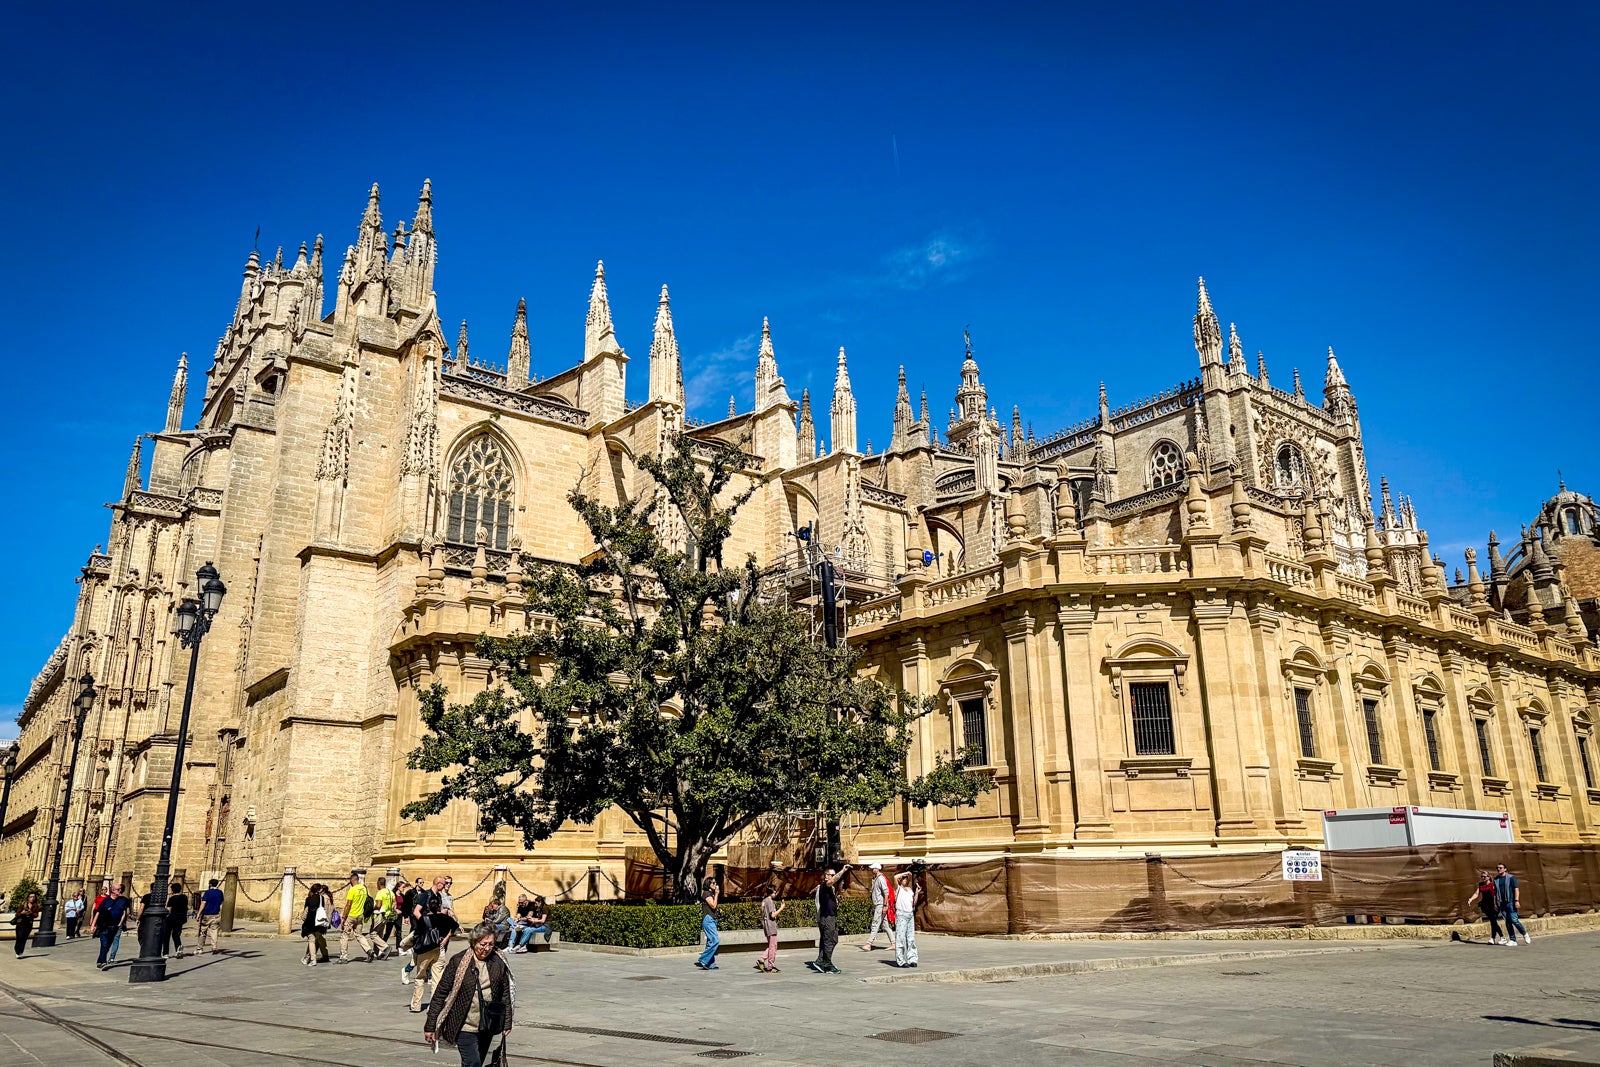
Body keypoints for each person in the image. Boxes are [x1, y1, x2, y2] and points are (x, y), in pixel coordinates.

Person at [424, 921, 514, 1067]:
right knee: (473, 1063)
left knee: (476, 1062)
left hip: (488, 1024)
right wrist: (430, 1025)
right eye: (482, 944)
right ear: (473, 941)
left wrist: (507, 1022)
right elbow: (440, 993)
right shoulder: (458, 962)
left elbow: (505, 994)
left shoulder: (498, 961)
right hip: (464, 1025)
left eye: (490, 944)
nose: (486, 948)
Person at [410, 876, 459, 1013]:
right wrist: (428, 926)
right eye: (444, 884)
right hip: (436, 943)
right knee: (436, 977)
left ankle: (416, 1005)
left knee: (421, 976)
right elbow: (416, 911)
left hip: (427, 945)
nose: (445, 887)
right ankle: (434, 1006)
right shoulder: (426, 896)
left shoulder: (437, 900)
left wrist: (426, 924)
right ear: (438, 884)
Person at [806, 862, 849, 974]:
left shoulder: (831, 888)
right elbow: (833, 880)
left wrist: (836, 901)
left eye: (834, 874)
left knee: (833, 940)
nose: (834, 876)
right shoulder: (825, 885)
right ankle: (827, 964)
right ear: (826, 876)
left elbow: (830, 901)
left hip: (832, 917)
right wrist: (843, 871)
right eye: (832, 874)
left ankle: (821, 960)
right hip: (826, 918)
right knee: (828, 940)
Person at [338, 872, 378, 963]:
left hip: (352, 915)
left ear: (352, 880)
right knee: (359, 935)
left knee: (344, 935)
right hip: (360, 915)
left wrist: (344, 917)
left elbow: (348, 904)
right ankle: (368, 950)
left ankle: (343, 957)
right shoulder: (363, 888)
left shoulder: (352, 890)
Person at [92, 883, 132, 969]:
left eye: (120, 889)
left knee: (108, 944)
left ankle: (101, 960)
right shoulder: (106, 901)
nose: (120, 891)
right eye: (118, 889)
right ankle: (102, 961)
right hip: (104, 925)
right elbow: (98, 912)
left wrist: (120, 923)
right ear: (113, 890)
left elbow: (124, 912)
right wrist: (93, 925)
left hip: (115, 926)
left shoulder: (123, 900)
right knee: (104, 943)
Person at [1493, 862, 1531, 946]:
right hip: (1502, 903)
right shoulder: (1496, 880)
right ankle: (1513, 940)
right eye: (1497, 868)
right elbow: (1495, 893)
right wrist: (1496, 903)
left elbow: (1516, 889)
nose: (1499, 869)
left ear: (1505, 869)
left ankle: (1524, 934)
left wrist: (1516, 900)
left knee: (1514, 920)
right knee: (1507, 922)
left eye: (1500, 868)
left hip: (1510, 902)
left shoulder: (1511, 878)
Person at [1468, 869, 1504, 946]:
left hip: (1493, 905)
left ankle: (1499, 937)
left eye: (1484, 877)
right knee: (1493, 921)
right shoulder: (1481, 885)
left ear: (1488, 877)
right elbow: (1476, 893)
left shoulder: (1493, 884)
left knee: (1493, 921)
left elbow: (1499, 893)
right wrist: (1471, 899)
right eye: (1482, 877)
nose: (1483, 878)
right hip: (1485, 905)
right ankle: (1495, 938)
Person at [755, 883, 786, 973]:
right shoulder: (770, 901)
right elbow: (772, 915)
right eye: (775, 892)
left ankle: (762, 960)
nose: (776, 894)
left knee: (771, 945)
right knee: (773, 947)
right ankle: (769, 965)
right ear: (772, 892)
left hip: (766, 925)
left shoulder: (764, 901)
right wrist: (781, 908)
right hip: (771, 926)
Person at [892, 870, 919, 968]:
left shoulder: (909, 890)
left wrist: (916, 893)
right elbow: (895, 877)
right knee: (900, 938)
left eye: (906, 879)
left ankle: (912, 959)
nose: (905, 880)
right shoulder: (898, 889)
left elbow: (914, 903)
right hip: (901, 915)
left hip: (910, 915)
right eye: (903, 878)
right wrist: (905, 873)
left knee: (911, 938)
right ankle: (901, 961)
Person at [301, 882, 332, 966]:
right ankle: (308, 958)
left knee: (311, 940)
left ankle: (312, 959)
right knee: (316, 939)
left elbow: (306, 911)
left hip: (310, 922)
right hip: (319, 922)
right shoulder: (322, 898)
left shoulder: (308, 899)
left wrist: (303, 918)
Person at [860, 863, 890, 951]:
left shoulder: (881, 879)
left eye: (873, 868)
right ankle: (894, 943)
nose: (872, 870)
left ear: (877, 869)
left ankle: (869, 944)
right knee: (885, 925)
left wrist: (885, 905)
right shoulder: (876, 879)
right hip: (878, 904)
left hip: (880, 905)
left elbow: (886, 893)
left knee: (875, 923)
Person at [694, 878, 721, 970]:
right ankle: (703, 959)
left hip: (712, 919)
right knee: (715, 940)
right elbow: (713, 905)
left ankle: (710, 963)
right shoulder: (706, 893)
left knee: (710, 942)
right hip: (708, 920)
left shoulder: (711, 894)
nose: (715, 884)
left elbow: (714, 907)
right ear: (708, 884)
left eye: (715, 882)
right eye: (713, 883)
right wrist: (717, 894)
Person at [195, 878, 225, 954]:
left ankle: (200, 948)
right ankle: (214, 947)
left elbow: (203, 903)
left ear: (210, 884)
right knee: (214, 932)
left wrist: (199, 913)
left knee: (203, 931)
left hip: (207, 914)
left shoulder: (207, 893)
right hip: (216, 914)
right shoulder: (220, 892)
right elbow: (221, 901)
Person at [373, 877, 399, 958]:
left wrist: (371, 908)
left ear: (379, 884)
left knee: (373, 934)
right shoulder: (390, 892)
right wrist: (390, 909)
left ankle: (385, 947)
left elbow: (378, 905)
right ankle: (376, 953)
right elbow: (395, 902)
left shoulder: (380, 893)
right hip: (386, 916)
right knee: (379, 934)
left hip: (380, 914)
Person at [12, 891, 42, 956]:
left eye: (33, 897)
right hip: (20, 923)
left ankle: (20, 952)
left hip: (28, 924)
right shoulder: (22, 906)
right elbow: (17, 914)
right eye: (31, 897)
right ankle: (17, 950)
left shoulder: (35, 906)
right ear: (28, 898)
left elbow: (36, 915)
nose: (32, 898)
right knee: (19, 937)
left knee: (24, 938)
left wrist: (30, 912)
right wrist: (22, 913)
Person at [165, 881, 189, 959]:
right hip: (181, 918)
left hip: (172, 918)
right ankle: (178, 947)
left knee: (167, 935)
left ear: (172, 890)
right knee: (176, 934)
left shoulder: (172, 899)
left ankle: (165, 953)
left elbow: (169, 909)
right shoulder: (184, 897)